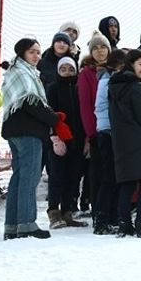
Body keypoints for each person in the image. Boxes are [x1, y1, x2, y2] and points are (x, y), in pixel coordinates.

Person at [0, 38, 61, 240]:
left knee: (18, 177)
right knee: (29, 176)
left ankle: (12, 225)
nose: (36, 56)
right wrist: (52, 118)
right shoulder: (23, 73)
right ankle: (26, 223)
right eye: (32, 52)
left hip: (15, 131)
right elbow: (30, 103)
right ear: (22, 53)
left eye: (38, 52)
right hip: (28, 131)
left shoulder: (16, 72)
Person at [108, 49, 141, 237]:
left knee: (127, 183)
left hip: (121, 140)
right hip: (138, 139)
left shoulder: (113, 84)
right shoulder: (136, 86)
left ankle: (124, 224)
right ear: (131, 64)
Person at [45, 56, 87, 229]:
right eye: (63, 69)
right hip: (59, 139)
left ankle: (67, 211)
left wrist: (86, 139)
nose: (67, 72)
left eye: (71, 69)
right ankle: (53, 212)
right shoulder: (53, 88)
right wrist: (54, 137)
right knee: (56, 176)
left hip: (76, 140)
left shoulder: (79, 88)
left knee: (73, 176)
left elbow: (83, 114)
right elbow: (50, 113)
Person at [92, 48, 128, 235]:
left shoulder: (107, 79)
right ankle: (102, 218)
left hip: (110, 130)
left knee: (114, 177)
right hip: (108, 131)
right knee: (109, 177)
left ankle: (111, 216)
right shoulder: (109, 80)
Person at [77, 33, 111, 218]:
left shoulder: (114, 69)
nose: (100, 51)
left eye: (103, 47)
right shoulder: (86, 74)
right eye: (96, 48)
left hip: (115, 130)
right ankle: (97, 210)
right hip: (97, 131)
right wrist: (91, 133)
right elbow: (85, 105)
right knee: (97, 172)